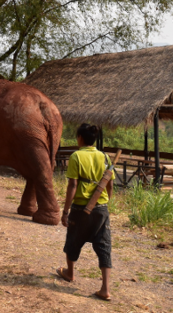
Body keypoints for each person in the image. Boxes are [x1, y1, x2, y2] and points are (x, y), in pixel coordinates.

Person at [56, 123, 113, 301]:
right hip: (101, 208)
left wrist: (65, 211)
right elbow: (109, 183)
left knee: (73, 239)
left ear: (80, 138)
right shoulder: (104, 157)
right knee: (104, 245)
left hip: (81, 207)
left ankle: (70, 273)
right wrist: (105, 200)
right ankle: (105, 288)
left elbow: (73, 185)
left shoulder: (76, 156)